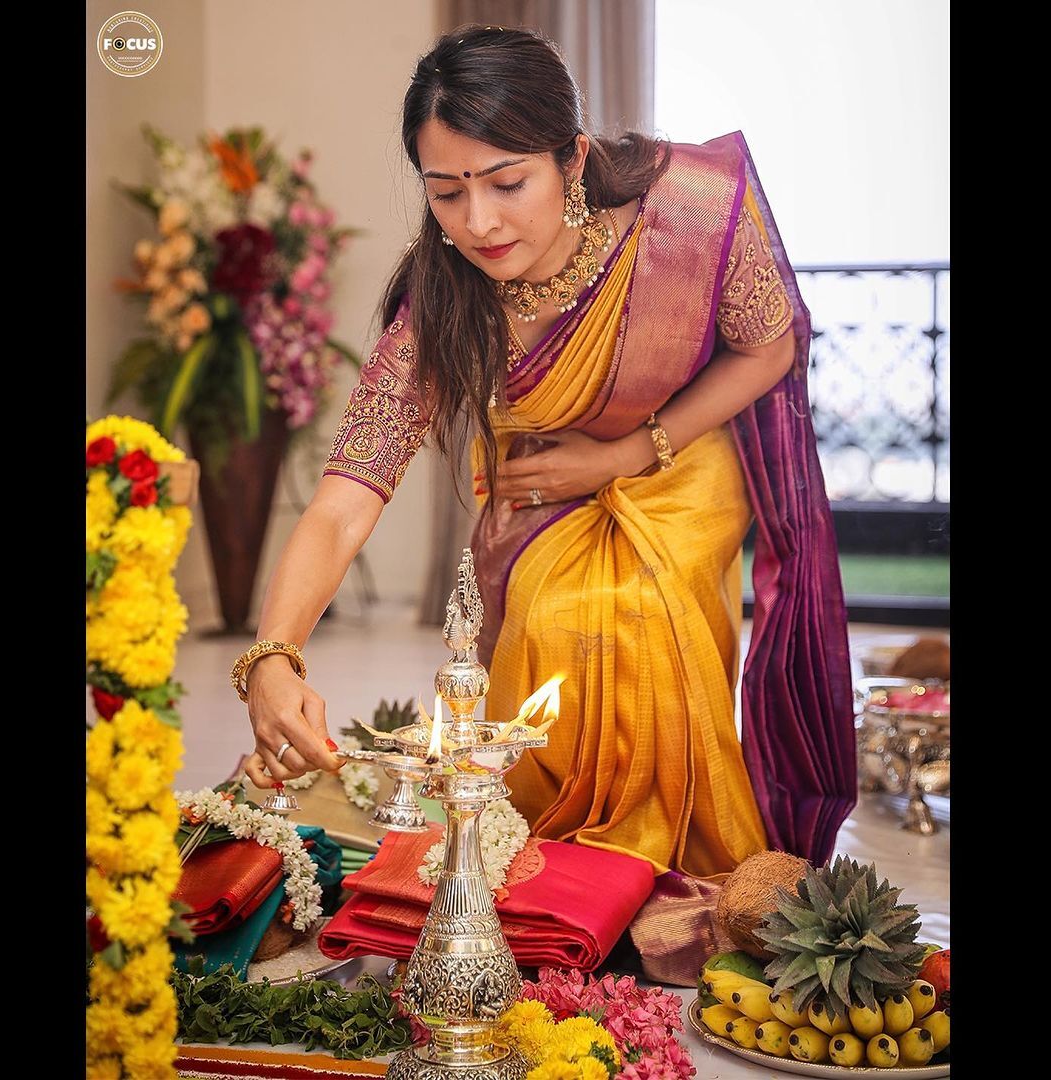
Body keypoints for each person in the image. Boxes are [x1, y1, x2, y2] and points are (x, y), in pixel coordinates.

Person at [234, 26, 856, 875]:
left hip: (679, 453)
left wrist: (624, 453)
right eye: (446, 193)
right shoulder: (444, 303)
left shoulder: (694, 211)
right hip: (540, 480)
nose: (479, 222)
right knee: (554, 619)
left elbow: (768, 348)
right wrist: (274, 653)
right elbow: (347, 496)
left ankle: (659, 861)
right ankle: (559, 861)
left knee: (639, 610)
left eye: (507, 182)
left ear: (573, 157)